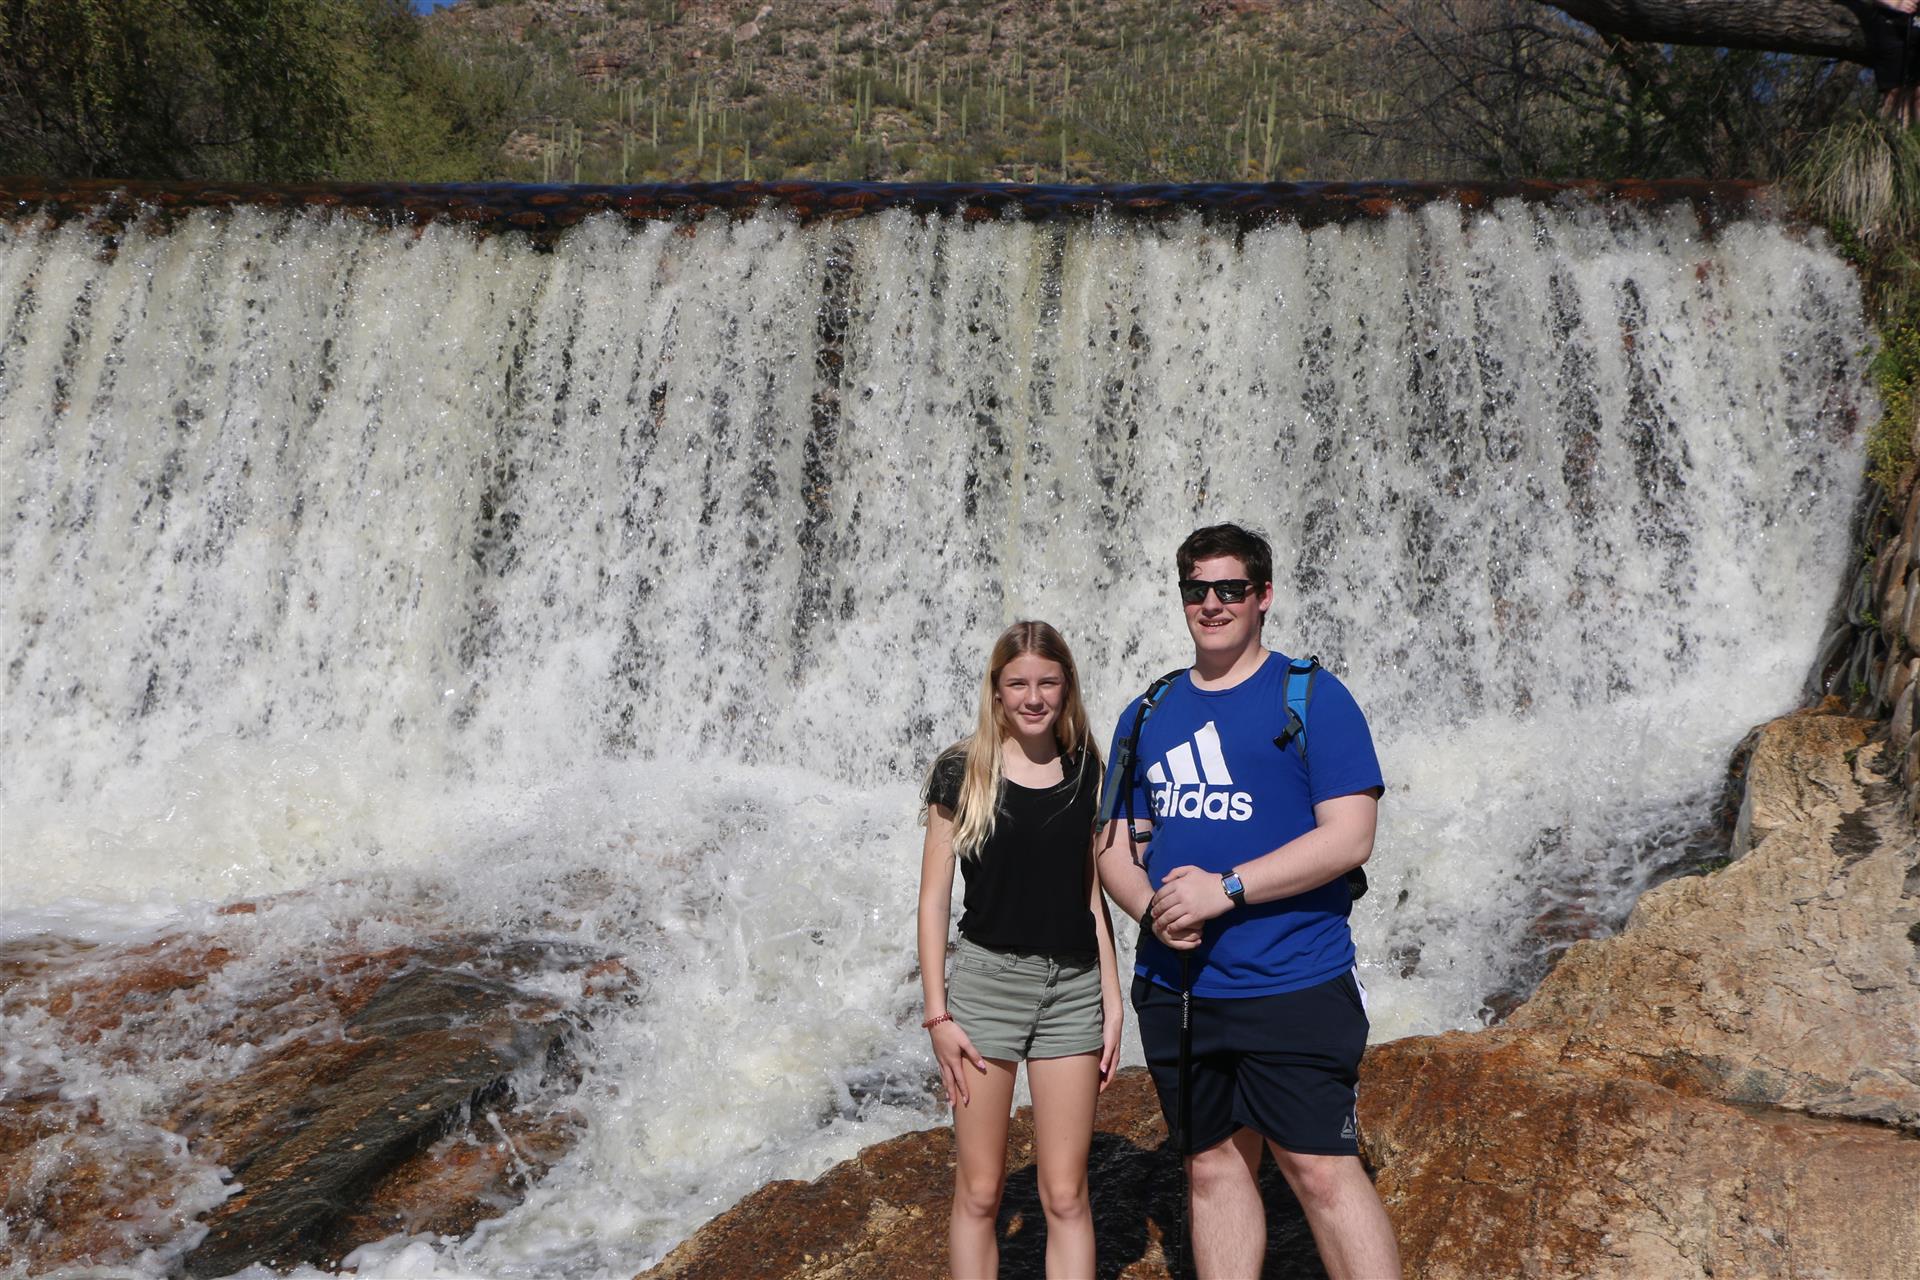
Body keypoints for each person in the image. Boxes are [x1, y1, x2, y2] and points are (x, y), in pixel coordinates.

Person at [1095, 524, 1402, 1280]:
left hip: (1292, 981)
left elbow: (1351, 836)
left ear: (1263, 596)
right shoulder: (1148, 712)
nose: (1212, 603)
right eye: (1196, 589)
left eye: (1230, 588)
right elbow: (1111, 845)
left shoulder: (1314, 698)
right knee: (1210, 1169)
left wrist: (1225, 890)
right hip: (1179, 990)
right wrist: (1151, 908)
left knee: (1321, 1172)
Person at [917, 620, 1125, 1280]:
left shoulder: (1086, 769)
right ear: (997, 691)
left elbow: (1091, 893)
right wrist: (937, 1015)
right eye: (1018, 684)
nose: (1034, 698)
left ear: (1067, 688)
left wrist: (1112, 1000)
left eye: (1048, 683)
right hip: (986, 989)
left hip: (1073, 991)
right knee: (981, 1192)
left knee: (1065, 1194)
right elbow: (933, 901)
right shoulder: (962, 771)